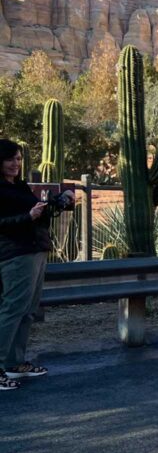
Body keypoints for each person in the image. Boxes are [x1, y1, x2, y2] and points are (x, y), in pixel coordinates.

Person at [0, 138, 73, 391]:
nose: (15, 164)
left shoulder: (19, 187)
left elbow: (36, 211)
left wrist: (60, 201)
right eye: (10, 159)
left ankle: (15, 362)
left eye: (18, 159)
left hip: (36, 250)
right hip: (16, 254)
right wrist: (27, 216)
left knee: (27, 310)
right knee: (12, 309)